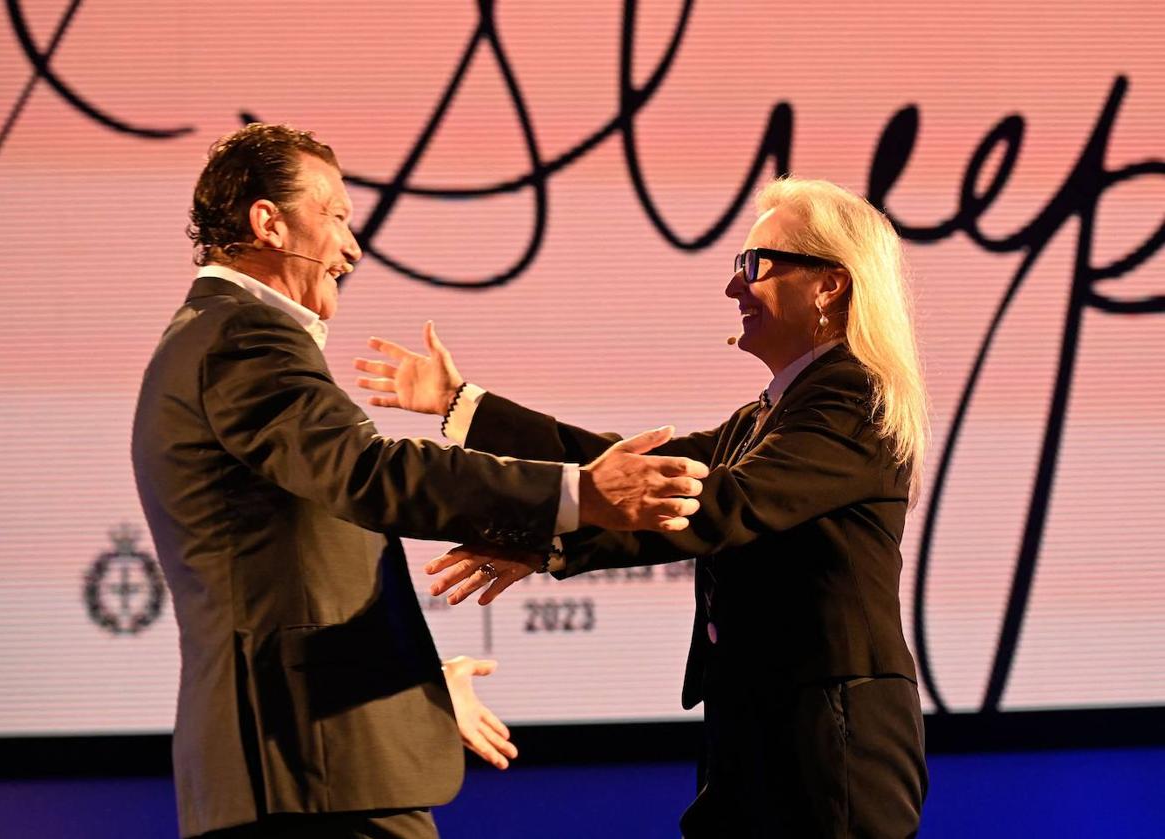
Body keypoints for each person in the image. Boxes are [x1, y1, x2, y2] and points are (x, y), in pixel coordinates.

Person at [131, 123, 709, 839]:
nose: (352, 246)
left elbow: (285, 572)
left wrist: (420, 685)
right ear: (268, 222)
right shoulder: (243, 336)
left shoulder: (211, 334)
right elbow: (372, 473)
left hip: (309, 763)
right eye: (337, 216)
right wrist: (579, 492)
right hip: (310, 774)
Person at [356, 177, 931, 837]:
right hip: (764, 726)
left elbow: (719, 507)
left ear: (829, 282)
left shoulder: (853, 398)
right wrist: (466, 407)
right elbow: (623, 468)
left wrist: (551, 535)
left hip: (831, 736)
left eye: (754, 265)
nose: (733, 288)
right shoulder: (765, 415)